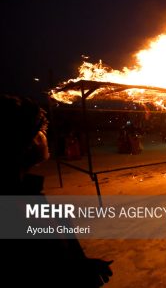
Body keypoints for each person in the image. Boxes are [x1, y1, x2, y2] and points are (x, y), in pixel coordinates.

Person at [0, 94, 113, 287]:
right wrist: (81, 272)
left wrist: (83, 264)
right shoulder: (17, 207)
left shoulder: (25, 193)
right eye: (40, 132)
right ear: (25, 142)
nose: (45, 137)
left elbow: (59, 256)